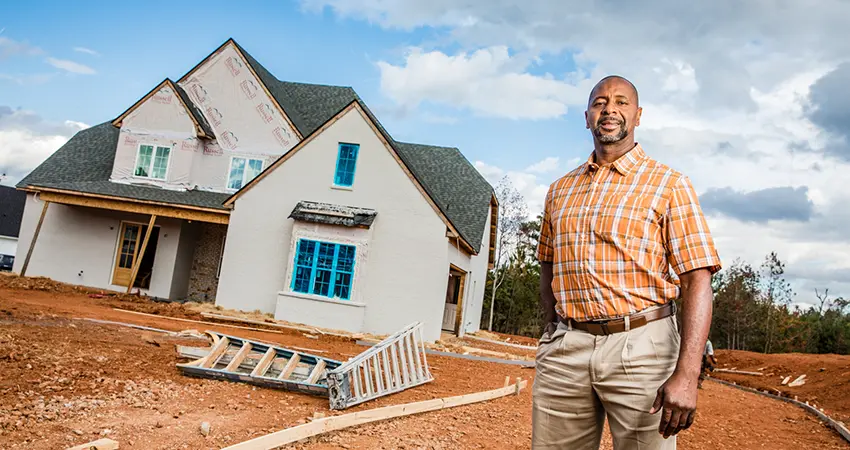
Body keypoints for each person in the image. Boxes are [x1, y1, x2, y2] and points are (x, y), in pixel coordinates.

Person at [532, 75, 722, 449]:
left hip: (643, 347)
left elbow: (697, 278)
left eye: (621, 102)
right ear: (587, 116)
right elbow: (548, 264)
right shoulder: (560, 190)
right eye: (600, 102)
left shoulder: (669, 184)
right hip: (567, 348)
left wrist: (687, 371)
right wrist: (552, 330)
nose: (610, 110)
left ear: (638, 115)